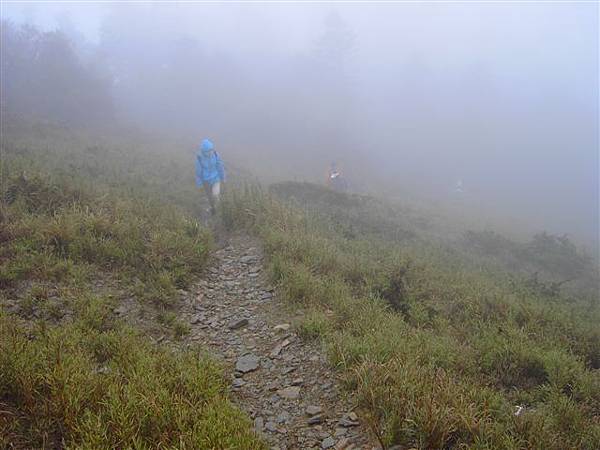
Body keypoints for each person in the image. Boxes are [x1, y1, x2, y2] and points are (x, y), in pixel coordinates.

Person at [195, 138, 225, 214]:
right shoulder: (199, 158)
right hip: (206, 181)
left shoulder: (215, 155)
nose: (210, 152)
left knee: (216, 195)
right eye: (208, 151)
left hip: (216, 179)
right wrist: (199, 183)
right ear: (204, 151)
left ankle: (218, 209)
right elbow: (198, 171)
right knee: (209, 196)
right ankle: (212, 208)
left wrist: (223, 177)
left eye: (211, 149)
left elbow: (220, 166)